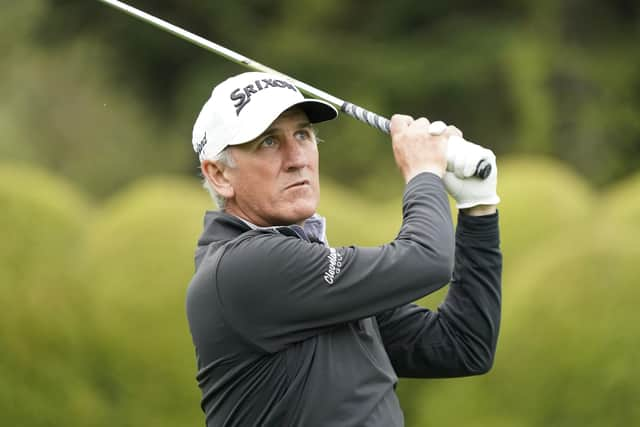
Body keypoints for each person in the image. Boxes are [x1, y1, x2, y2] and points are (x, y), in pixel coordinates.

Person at [186, 71, 502, 427]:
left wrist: (478, 208)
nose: (297, 158)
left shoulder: (309, 280)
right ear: (218, 174)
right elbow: (427, 260)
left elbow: (463, 346)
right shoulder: (243, 268)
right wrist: (423, 173)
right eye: (269, 142)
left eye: (303, 134)